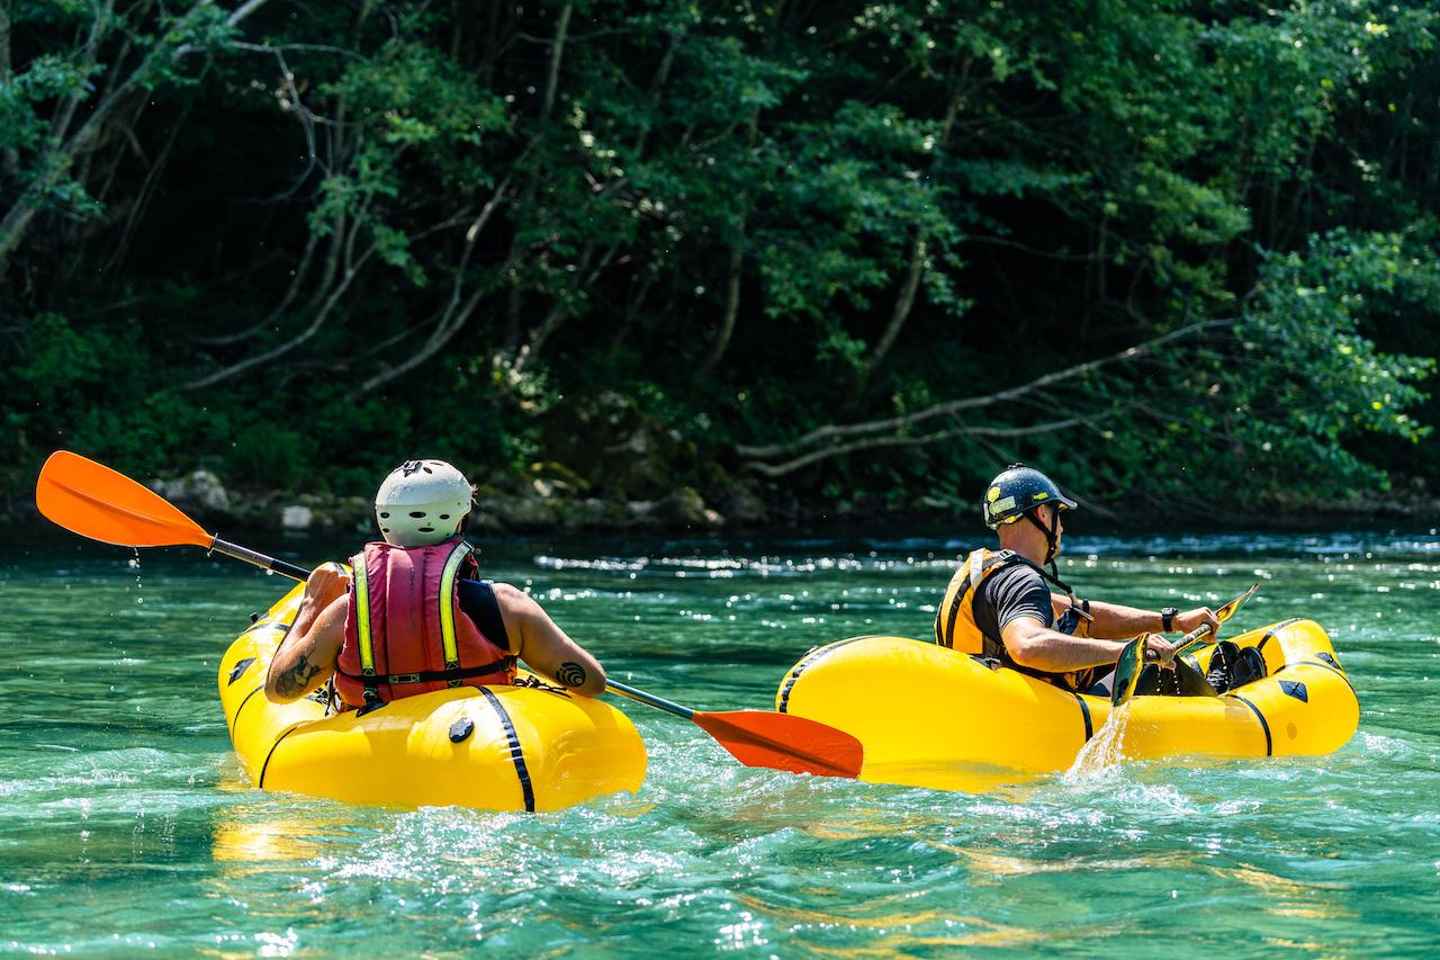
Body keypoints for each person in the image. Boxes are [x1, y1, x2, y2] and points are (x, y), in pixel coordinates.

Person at [265, 459, 606, 709]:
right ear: (461, 516)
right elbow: (592, 682)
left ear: (384, 518)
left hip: (378, 756)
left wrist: (312, 604)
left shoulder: (345, 613)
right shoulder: (505, 604)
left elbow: (279, 691)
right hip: (483, 748)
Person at [934, 463, 1218, 694]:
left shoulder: (989, 574)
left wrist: (1170, 622)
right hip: (1029, 720)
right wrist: (1129, 653)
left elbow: (1084, 616)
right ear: (1042, 514)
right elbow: (1027, 646)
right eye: (1059, 515)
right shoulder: (1022, 581)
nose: (1062, 528)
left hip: (981, 703)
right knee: (1157, 669)